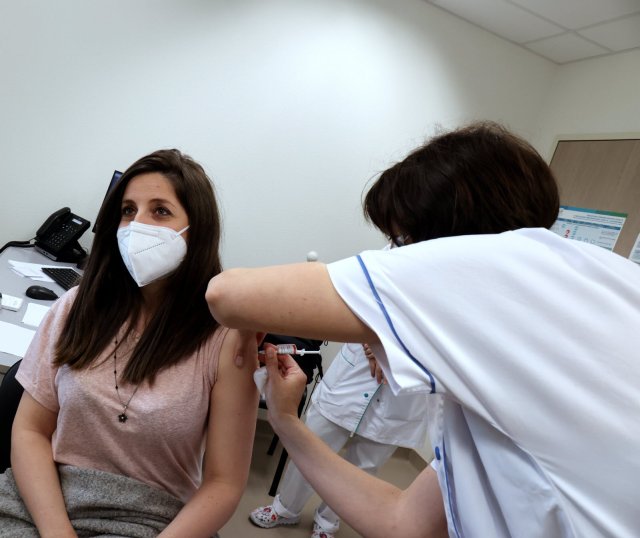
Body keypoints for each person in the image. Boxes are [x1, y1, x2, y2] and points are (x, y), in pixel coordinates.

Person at [206, 122, 640, 537]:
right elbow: (406, 523)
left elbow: (227, 294)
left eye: (402, 240)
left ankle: (325, 523)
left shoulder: (478, 268)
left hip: (394, 407)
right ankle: (286, 508)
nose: (398, 252)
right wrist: (284, 420)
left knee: (368, 455)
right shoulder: (602, 281)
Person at [1, 149, 259, 537]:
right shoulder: (76, 306)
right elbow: (30, 431)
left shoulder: (226, 339)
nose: (137, 225)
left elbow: (224, 484)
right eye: (127, 210)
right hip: (47, 501)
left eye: (161, 211)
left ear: (198, 230)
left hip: (148, 517)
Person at [249, 342, 430, 538]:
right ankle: (286, 509)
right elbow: (363, 320)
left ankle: (327, 521)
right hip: (353, 375)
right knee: (309, 448)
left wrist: (404, 358)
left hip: (404, 390)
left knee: (364, 468)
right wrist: (373, 341)